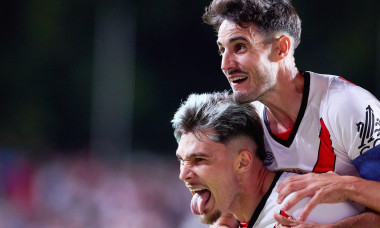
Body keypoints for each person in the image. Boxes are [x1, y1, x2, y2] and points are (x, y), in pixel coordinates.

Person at [201, 0, 380, 227]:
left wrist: (345, 186)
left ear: (282, 48)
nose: (225, 64)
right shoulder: (247, 120)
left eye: (240, 47)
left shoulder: (348, 106)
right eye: (222, 50)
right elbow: (234, 211)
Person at [172, 92, 361, 228]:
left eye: (199, 160)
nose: (183, 175)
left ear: (243, 162)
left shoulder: (298, 211)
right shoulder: (243, 211)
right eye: (182, 160)